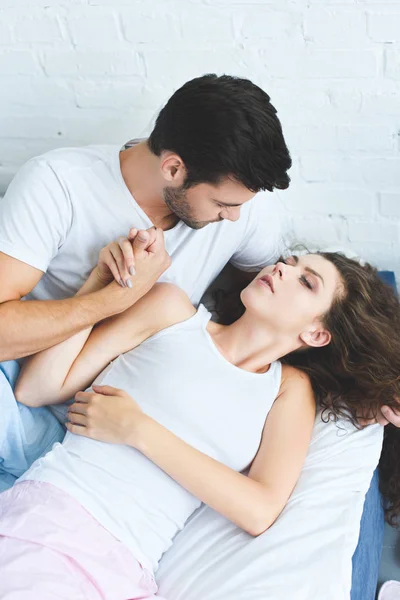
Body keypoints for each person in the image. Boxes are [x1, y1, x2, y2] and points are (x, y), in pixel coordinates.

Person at [0, 232, 399, 600]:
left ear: (316, 334)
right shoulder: (172, 312)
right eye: (290, 261)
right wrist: (97, 287)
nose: (283, 268)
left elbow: (259, 509)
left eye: (306, 281)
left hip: (130, 568)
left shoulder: (288, 390)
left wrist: (139, 430)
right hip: (56, 516)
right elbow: (36, 388)